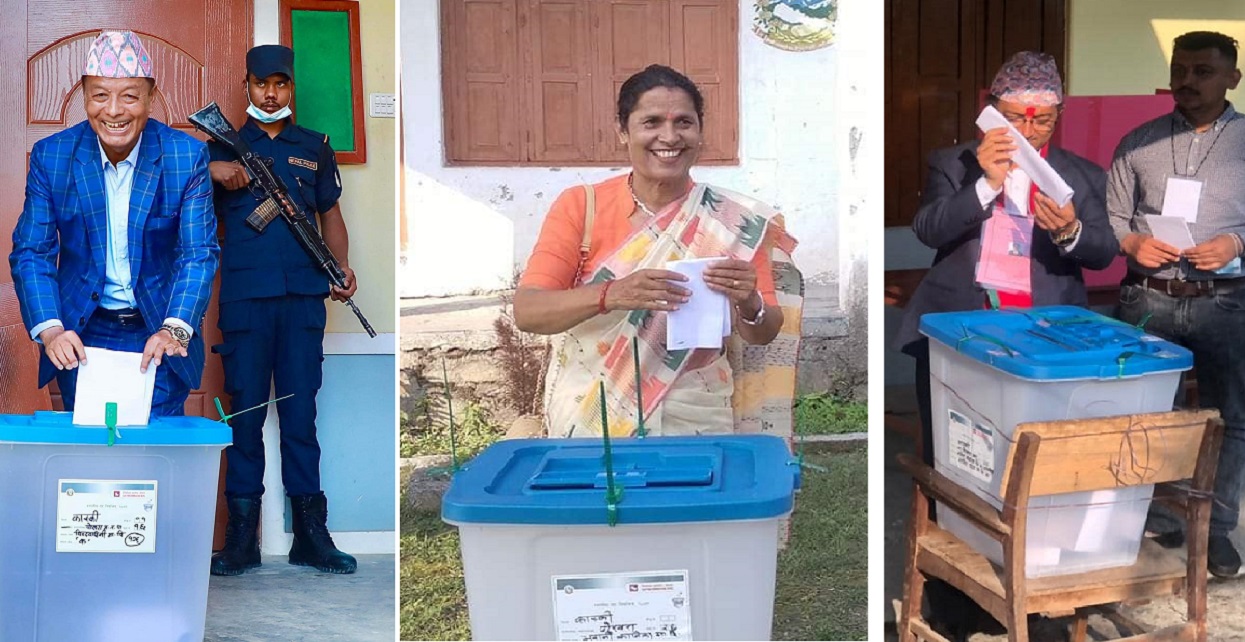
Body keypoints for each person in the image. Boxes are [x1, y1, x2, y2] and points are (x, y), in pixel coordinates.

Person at [893, 51, 1117, 639]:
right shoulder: (955, 163)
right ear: (993, 112)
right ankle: (953, 596)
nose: (1026, 129)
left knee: (1030, 469)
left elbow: (1102, 249)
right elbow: (929, 230)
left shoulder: (1081, 175)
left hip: (1041, 347)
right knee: (955, 462)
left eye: (1041, 118)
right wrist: (986, 185)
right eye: (1015, 116)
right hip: (958, 332)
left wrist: (1067, 228)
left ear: (1057, 117)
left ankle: (1035, 593)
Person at [513, 64, 798, 437]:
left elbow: (764, 331)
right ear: (622, 131)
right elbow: (529, 312)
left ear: (699, 131)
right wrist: (611, 295)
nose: (670, 136)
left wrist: (749, 301)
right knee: (601, 497)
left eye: (684, 122)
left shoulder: (731, 221)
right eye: (651, 123)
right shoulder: (582, 207)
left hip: (695, 413)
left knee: (693, 497)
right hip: (591, 412)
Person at [206, 45, 358, 576]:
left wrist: (340, 266)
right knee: (245, 416)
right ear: (246, 85)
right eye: (260, 83)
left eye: (280, 84)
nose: (270, 93)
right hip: (245, 301)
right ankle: (241, 539)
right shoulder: (220, 146)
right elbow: (182, 208)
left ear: (291, 88)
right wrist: (214, 172)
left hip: (301, 302)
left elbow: (328, 212)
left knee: (300, 418)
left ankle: (311, 537)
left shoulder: (313, 146)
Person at [9, 30, 218, 417]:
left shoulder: (186, 157)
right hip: (82, 330)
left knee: (152, 456)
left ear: (151, 97)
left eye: (130, 96)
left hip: (157, 323)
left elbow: (198, 253)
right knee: (92, 460)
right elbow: (31, 252)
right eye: (101, 95)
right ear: (85, 97)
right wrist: (51, 329)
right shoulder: (51, 157)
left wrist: (175, 327)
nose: (114, 111)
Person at [1109, 31, 1245, 578]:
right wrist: (1131, 242)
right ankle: (1149, 514)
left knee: (1230, 418)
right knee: (1141, 415)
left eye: (1203, 72)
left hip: (1227, 304)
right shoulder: (1137, 141)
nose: (1187, 81)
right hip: (1150, 299)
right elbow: (1112, 218)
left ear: (1232, 78)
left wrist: (1237, 244)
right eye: (1180, 69)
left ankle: (1215, 528)